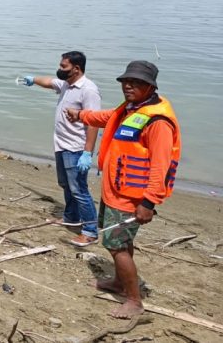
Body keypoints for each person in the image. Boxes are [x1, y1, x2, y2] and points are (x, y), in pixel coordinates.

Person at [65, 60, 181, 319]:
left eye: (136, 82)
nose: (128, 86)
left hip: (132, 198)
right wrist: (80, 115)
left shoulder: (158, 121)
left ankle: (134, 301)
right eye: (126, 81)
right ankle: (119, 283)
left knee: (116, 245)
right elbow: (107, 117)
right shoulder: (132, 108)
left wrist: (148, 202)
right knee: (119, 243)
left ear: (150, 87)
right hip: (115, 191)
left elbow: (160, 166)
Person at [22, 51, 101, 246]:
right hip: (61, 145)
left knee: (79, 190)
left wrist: (87, 153)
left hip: (76, 148)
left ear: (76, 68)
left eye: (64, 66)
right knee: (65, 185)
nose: (60, 69)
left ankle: (90, 231)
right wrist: (33, 79)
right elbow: (49, 82)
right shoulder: (66, 84)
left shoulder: (88, 90)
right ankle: (71, 217)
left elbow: (94, 123)